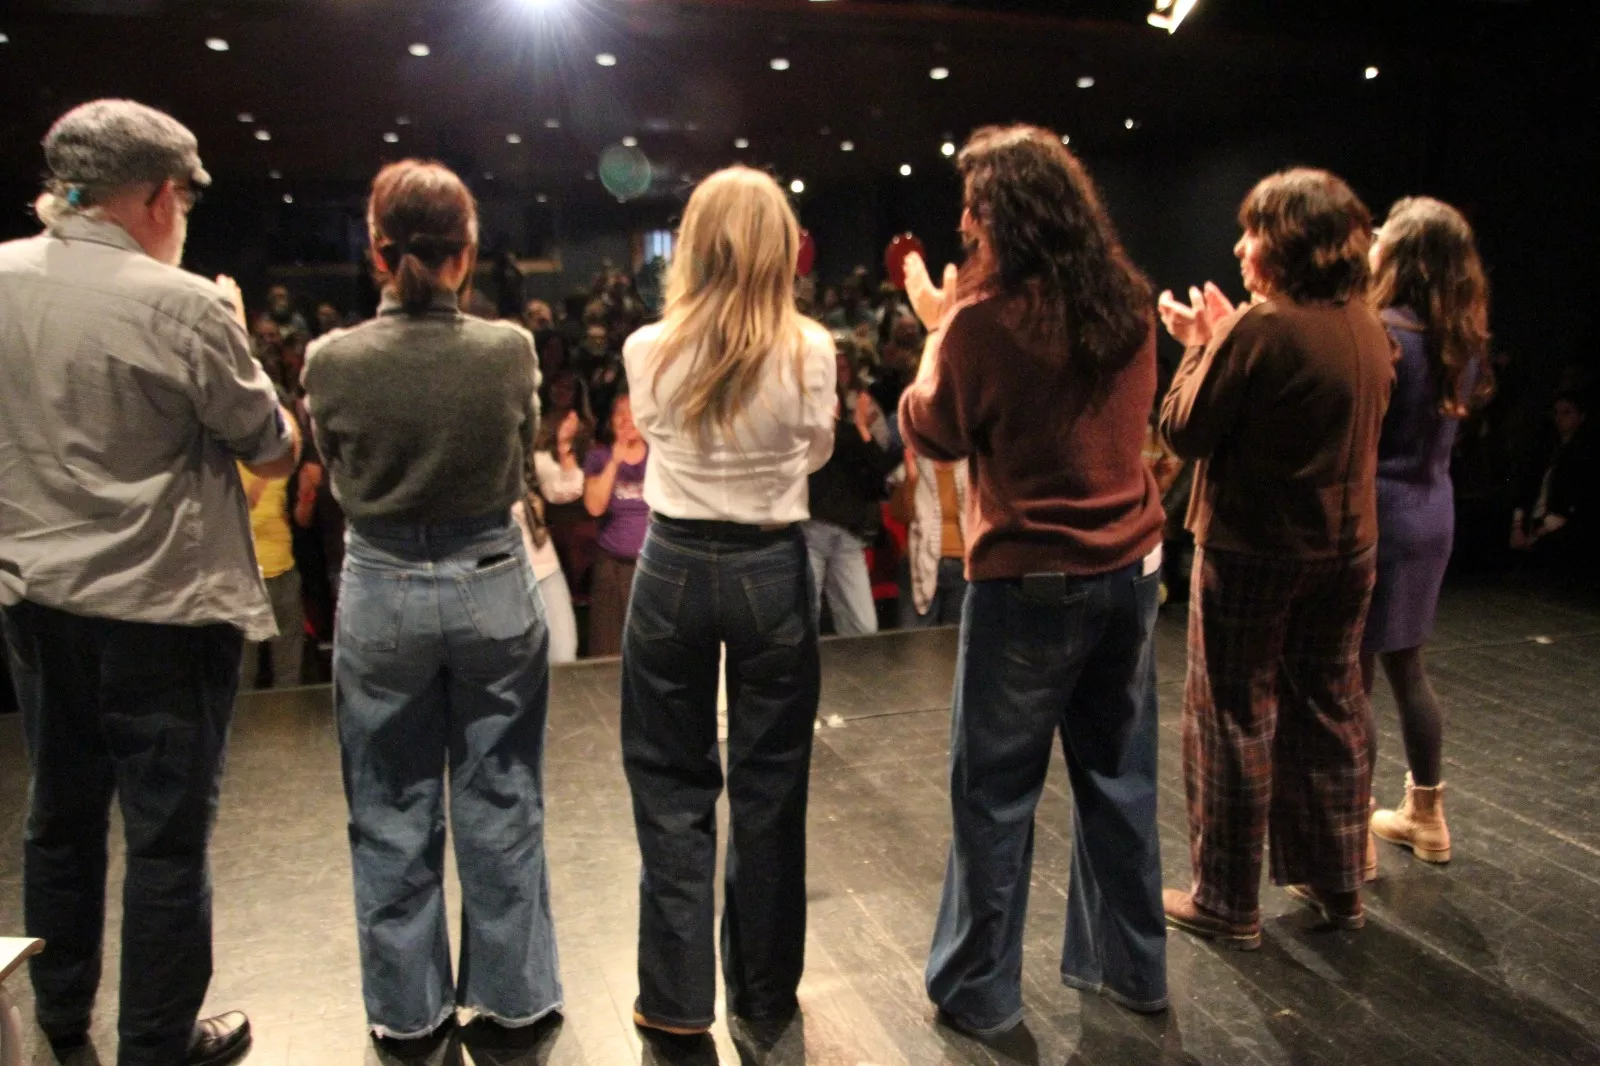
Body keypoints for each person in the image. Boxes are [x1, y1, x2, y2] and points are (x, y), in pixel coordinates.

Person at [0, 98, 299, 1066]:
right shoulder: (182, 304)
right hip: (162, 612)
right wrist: (233, 325)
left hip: (37, 602)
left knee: (59, 815)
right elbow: (271, 445)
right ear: (159, 194)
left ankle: (55, 1012)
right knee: (166, 846)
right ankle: (156, 1045)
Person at [900, 125, 1170, 1034]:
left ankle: (981, 990)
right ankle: (1134, 973)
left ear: (1008, 213)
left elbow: (929, 430)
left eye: (976, 204)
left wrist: (937, 331)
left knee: (994, 795)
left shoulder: (982, 322)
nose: (965, 220)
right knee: (1121, 782)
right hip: (1128, 576)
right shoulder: (1127, 302)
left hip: (1028, 590)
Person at [302, 159, 561, 1044]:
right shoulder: (507, 349)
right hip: (492, 578)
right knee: (503, 794)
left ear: (377, 253)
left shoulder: (330, 360)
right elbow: (522, 453)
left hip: (379, 590)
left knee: (388, 803)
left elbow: (337, 474)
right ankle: (515, 996)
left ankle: (408, 1017)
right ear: (469, 251)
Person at [619, 165, 836, 1034]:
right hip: (768, 567)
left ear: (697, 249)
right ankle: (764, 993)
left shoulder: (648, 348)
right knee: (771, 787)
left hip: (670, 566)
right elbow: (817, 454)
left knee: (671, 784)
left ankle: (674, 1000)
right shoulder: (810, 348)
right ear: (780, 248)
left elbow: (652, 434)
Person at [1158, 168, 1395, 944]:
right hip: (1348, 548)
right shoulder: (1364, 324)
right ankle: (1338, 883)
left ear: (1286, 242)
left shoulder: (1264, 331)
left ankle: (1226, 901)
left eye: (1253, 230)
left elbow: (1184, 430)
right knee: (1330, 709)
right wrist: (1228, 336)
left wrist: (1199, 346)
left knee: (1231, 713)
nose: (1239, 244)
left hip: (1257, 550)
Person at [1363, 198, 1495, 868]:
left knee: (1350, 676)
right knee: (1408, 668)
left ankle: (1348, 836)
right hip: (1432, 511)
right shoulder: (1460, 339)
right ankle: (1428, 817)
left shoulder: (1382, 333)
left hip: (1378, 514)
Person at [803, 344, 900, 635]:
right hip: (816, 528)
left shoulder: (856, 418)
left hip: (847, 533)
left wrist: (860, 427)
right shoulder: (809, 420)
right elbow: (826, 455)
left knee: (863, 626)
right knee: (811, 621)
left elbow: (879, 469)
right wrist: (855, 427)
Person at [583, 391, 650, 656]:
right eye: (619, 413)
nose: (626, 419)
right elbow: (594, 506)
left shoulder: (660, 456)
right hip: (611, 565)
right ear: (610, 422)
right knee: (608, 646)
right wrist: (615, 461)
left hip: (651, 565)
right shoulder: (598, 457)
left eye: (632, 411)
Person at [1512, 390, 1596, 571]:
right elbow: (1526, 486)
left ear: (1581, 417)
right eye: (1557, 413)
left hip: (1560, 524)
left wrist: (1539, 533)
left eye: (1567, 413)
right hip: (1536, 519)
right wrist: (1518, 526)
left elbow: (1575, 501)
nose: (1560, 419)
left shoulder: (1584, 454)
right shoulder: (1546, 449)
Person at [238, 462, 305, 688]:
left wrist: (306, 497)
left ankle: (289, 720)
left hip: (284, 570)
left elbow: (299, 517)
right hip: (245, 577)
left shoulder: (283, 465)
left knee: (288, 667)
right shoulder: (227, 464)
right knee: (243, 670)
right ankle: (241, 721)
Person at [513, 453, 580, 664]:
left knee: (563, 653)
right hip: (499, 576)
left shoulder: (529, 460)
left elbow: (567, 489)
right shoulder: (472, 468)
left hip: (544, 568)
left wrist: (565, 448)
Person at [897, 449, 969, 628]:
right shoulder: (916, 464)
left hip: (962, 565)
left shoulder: (971, 468)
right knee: (915, 642)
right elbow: (900, 515)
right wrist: (911, 479)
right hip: (920, 562)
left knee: (953, 642)